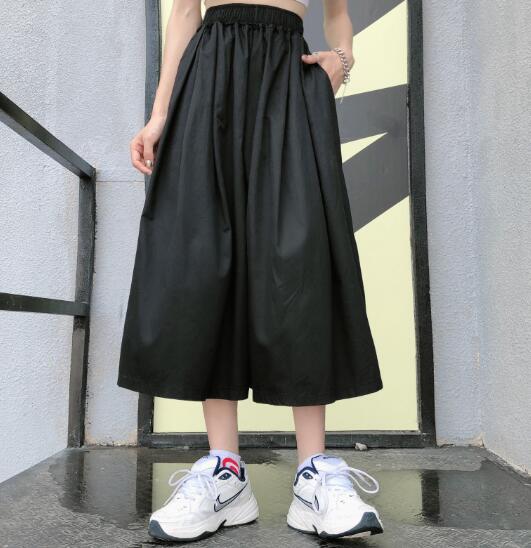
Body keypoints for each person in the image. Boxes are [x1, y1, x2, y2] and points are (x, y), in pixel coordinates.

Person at [118, 0, 384, 541]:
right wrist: (160, 112)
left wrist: (343, 59)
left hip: (289, 79)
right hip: (209, 77)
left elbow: (337, 13)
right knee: (207, 262)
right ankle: (225, 472)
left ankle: (313, 474)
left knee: (301, 258)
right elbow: (185, 14)